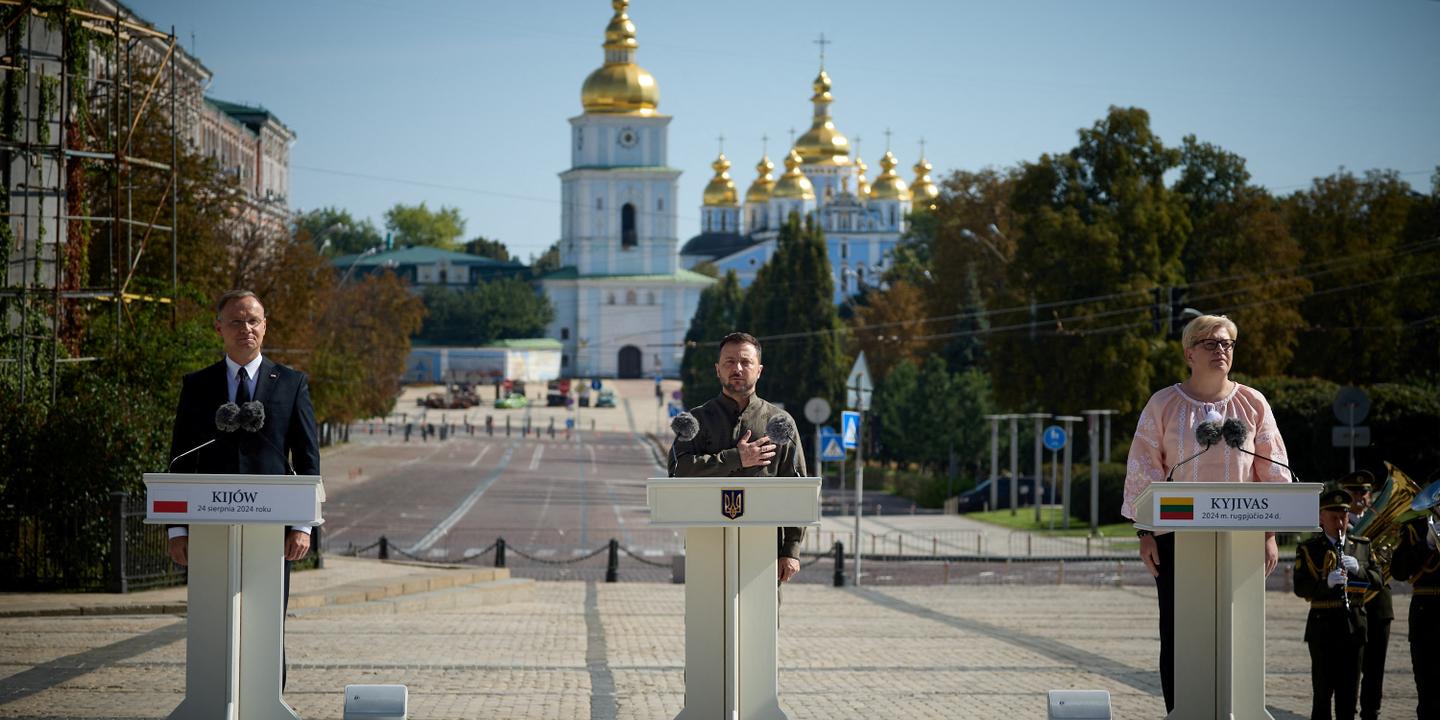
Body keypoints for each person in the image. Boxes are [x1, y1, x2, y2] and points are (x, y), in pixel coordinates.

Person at [1120, 314, 1291, 712]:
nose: (1222, 351)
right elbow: (1144, 469)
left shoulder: (1253, 403)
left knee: (1237, 631)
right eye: (1212, 344)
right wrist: (1145, 533)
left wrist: (1268, 535)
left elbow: (1272, 470)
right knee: (1180, 634)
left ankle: (1240, 710)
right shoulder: (1163, 404)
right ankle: (1180, 711)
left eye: (1228, 344)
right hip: (1176, 540)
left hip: (1243, 539)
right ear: (1189, 353)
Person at [167, 289, 320, 687]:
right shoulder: (198, 386)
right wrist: (177, 529)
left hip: (273, 533)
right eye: (235, 321)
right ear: (219, 328)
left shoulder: (291, 383)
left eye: (253, 320)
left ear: (265, 326)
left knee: (268, 623)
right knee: (213, 621)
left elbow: (307, 460)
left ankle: (270, 700)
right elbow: (180, 460)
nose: (245, 328)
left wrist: (303, 525)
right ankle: (213, 698)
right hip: (210, 531)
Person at [669, 331, 805, 583]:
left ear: (759, 370)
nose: (737, 368)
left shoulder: (780, 422)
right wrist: (735, 458)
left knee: (761, 621)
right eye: (729, 362)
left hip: (765, 548)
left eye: (746, 362)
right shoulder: (696, 420)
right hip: (706, 543)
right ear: (717, 370)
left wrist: (791, 550)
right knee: (707, 620)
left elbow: (797, 488)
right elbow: (677, 471)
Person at [1294, 486, 1380, 720]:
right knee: (1322, 695)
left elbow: (1378, 580)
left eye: (1343, 517)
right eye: (1334, 518)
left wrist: (1359, 569)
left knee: (1349, 696)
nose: (1340, 523)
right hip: (1323, 629)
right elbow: (1300, 587)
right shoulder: (1309, 549)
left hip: (1354, 628)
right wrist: (1326, 583)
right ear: (1322, 517)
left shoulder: (1361, 546)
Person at [1339, 470, 1392, 720]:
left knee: (1375, 668)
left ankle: (1372, 713)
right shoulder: (1338, 523)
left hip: (1379, 605)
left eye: (1365, 492)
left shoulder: (1383, 522)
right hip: (1351, 605)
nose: (1361, 496)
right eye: (1355, 492)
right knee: (1349, 669)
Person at [1390, 474, 1440, 720]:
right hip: (1426, 615)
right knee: (1427, 692)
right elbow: (1399, 570)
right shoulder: (1415, 529)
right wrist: (1427, 544)